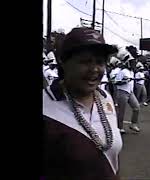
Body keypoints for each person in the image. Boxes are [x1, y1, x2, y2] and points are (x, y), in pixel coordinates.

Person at [43, 27, 122, 180]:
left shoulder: (106, 98)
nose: (94, 69)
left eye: (100, 62)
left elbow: (113, 159)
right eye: (85, 62)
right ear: (64, 62)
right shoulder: (46, 105)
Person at [115, 48, 141, 134]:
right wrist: (124, 81)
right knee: (121, 111)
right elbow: (116, 82)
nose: (134, 64)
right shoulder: (122, 71)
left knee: (136, 107)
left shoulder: (131, 72)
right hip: (122, 92)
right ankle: (119, 127)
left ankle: (133, 124)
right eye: (132, 62)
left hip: (130, 92)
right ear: (128, 63)